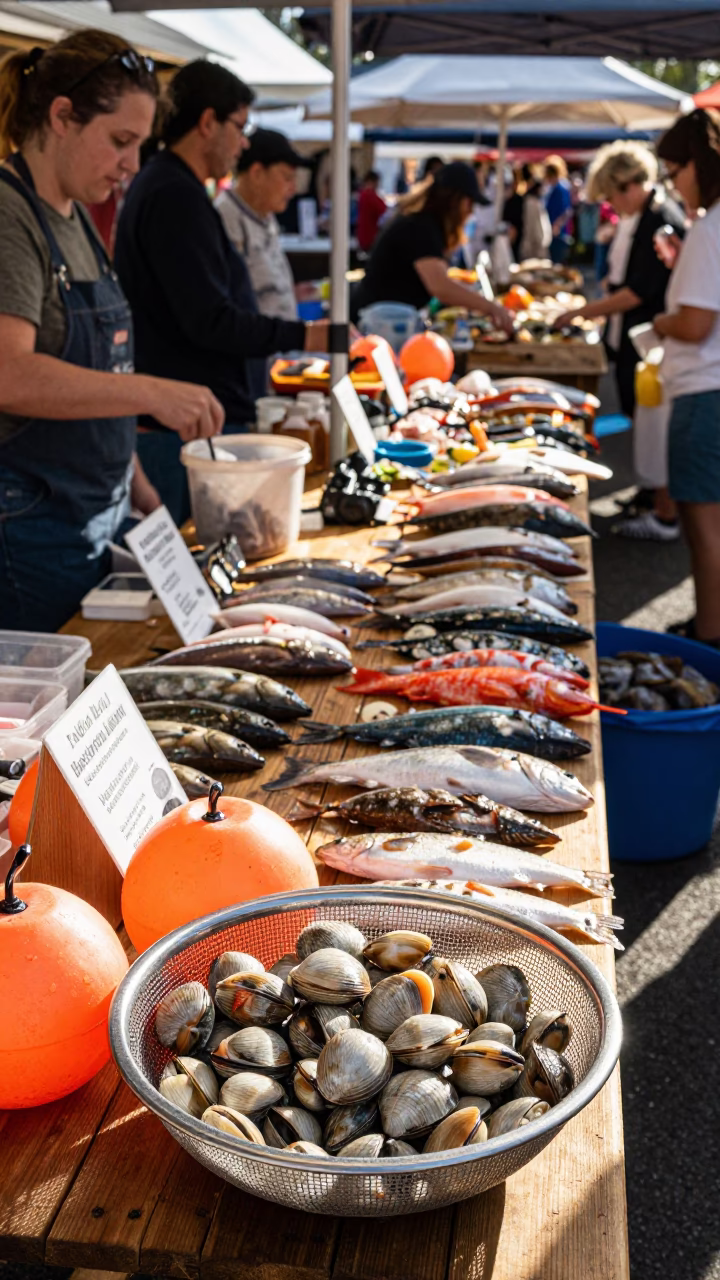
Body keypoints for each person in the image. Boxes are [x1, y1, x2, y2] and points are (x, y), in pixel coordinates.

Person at [0, 31, 224, 632]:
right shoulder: (8, 212)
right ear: (62, 118)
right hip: (28, 535)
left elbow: (101, 379)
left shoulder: (76, 218)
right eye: (120, 142)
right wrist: (153, 393)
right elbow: (10, 374)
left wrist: (145, 496)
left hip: (97, 520)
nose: (131, 164)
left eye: (138, 145)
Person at [115, 62, 328, 525]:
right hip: (180, 432)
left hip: (188, 425)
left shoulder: (177, 189)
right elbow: (209, 319)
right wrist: (308, 336)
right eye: (240, 125)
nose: (244, 141)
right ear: (207, 122)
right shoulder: (173, 194)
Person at [554, 141, 685, 540]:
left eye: (611, 196)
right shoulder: (645, 216)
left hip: (653, 341)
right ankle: (650, 496)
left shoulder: (659, 219)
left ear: (627, 185)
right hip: (639, 338)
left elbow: (636, 292)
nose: (611, 205)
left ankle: (664, 510)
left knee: (654, 426)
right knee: (640, 418)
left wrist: (580, 313)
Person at [653, 109, 720, 644]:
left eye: (674, 170)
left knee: (704, 528)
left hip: (703, 393)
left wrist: (659, 319)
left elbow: (695, 324)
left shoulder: (709, 228)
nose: (672, 183)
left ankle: (710, 634)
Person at [351, 161, 514, 334]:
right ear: (454, 200)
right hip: (375, 325)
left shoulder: (425, 224)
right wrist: (491, 308)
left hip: (385, 322)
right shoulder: (421, 226)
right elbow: (440, 287)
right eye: (469, 203)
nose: (471, 212)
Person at [215, 127, 307, 322]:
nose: (293, 189)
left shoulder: (265, 215)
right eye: (287, 178)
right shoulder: (225, 219)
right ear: (257, 173)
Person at [519, 164, 552, 262]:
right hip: (533, 246)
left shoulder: (534, 202)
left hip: (535, 245)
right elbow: (535, 227)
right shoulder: (531, 203)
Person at [544, 156, 573, 264]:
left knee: (558, 262)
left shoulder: (561, 188)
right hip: (551, 231)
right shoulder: (551, 188)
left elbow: (567, 210)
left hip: (558, 234)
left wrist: (557, 226)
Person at [356, 170, 387, 253]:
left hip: (363, 236)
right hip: (369, 237)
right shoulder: (369, 195)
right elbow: (382, 209)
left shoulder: (361, 194)